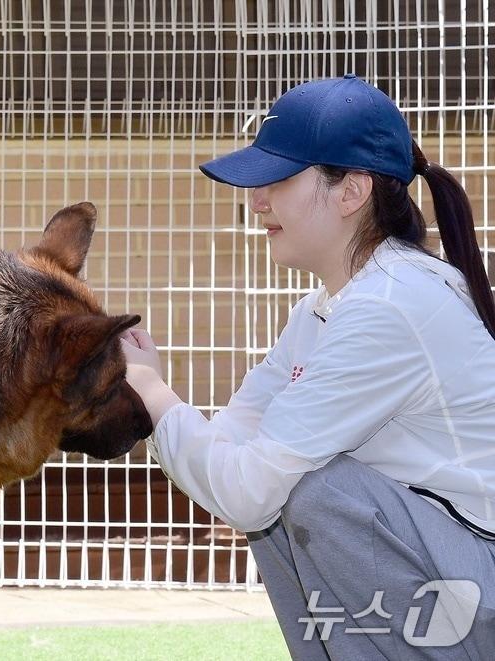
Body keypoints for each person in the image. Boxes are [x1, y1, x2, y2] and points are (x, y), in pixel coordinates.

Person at [121, 75, 495, 659]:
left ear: (351, 192)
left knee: (312, 491)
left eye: (279, 178)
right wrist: (158, 404)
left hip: (479, 581)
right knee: (283, 487)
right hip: (454, 573)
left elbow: (246, 489)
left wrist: (147, 387)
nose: (256, 200)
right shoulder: (326, 307)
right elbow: (232, 447)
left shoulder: (389, 308)